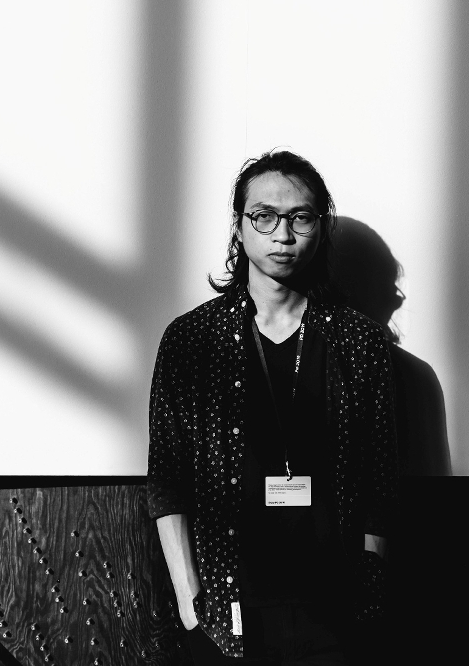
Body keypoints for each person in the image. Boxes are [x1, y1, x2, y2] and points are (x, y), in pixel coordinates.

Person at [146, 150, 400, 664]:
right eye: (264, 216)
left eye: (300, 217)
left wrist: (370, 586)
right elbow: (167, 477)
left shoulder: (360, 343)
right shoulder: (192, 339)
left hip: (338, 607)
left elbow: (380, 479)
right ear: (239, 229)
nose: (282, 235)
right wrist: (190, 602)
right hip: (227, 606)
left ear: (320, 229)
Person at [330, 216, 452, 477]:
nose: (396, 303)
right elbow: (437, 488)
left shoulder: (259, 372)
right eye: (386, 289)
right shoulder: (414, 377)